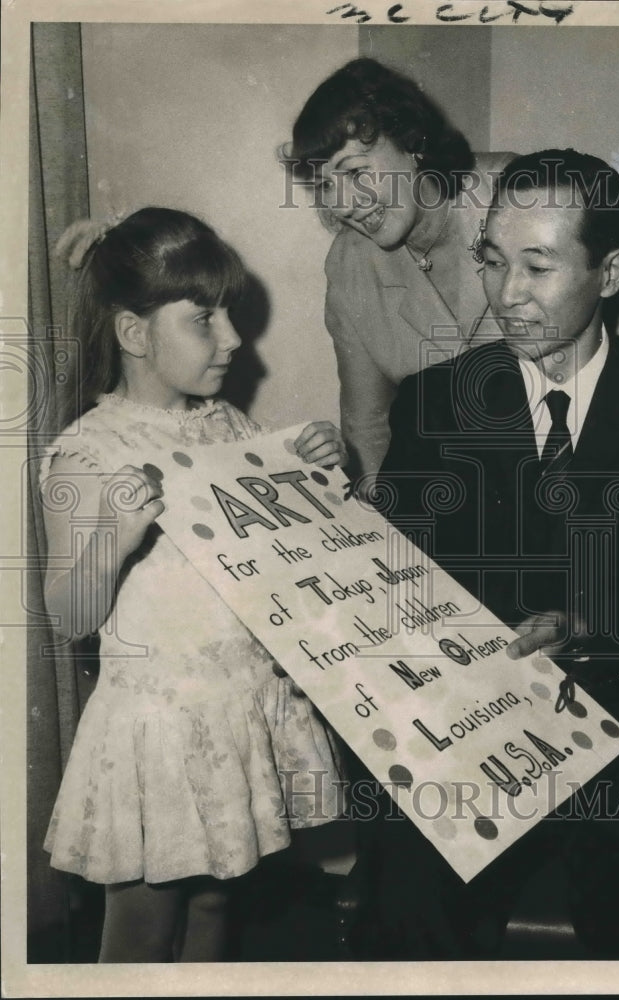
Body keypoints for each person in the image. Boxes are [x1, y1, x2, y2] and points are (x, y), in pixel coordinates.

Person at [363, 149, 619, 959]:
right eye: (495, 261)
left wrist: (586, 623)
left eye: (539, 267)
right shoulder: (435, 402)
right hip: (471, 723)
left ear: (609, 271)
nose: (508, 295)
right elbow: (395, 586)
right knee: (401, 913)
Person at [40, 207, 348, 962]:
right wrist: (112, 544)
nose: (234, 339)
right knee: (142, 929)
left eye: (230, 315)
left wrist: (311, 474)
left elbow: (283, 561)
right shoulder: (89, 452)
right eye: (204, 319)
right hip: (162, 732)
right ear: (134, 333)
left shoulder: (229, 428)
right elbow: (67, 616)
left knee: (217, 900)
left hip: (239, 707)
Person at [286, 57, 619, 484]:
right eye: (326, 184)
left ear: (412, 143)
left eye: (356, 172)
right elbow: (367, 427)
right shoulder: (349, 266)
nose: (342, 204)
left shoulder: (517, 194)